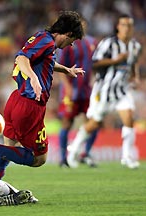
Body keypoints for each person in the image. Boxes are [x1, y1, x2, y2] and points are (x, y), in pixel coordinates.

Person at [0, 11, 85, 179]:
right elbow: (21, 58)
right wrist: (34, 78)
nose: (71, 45)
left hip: (16, 100)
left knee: (8, 152)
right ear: (67, 34)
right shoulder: (46, 42)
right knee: (39, 159)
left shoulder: (43, 38)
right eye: (72, 41)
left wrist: (66, 70)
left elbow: (45, 61)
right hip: (30, 107)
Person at [67, 14, 142, 169]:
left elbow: (133, 62)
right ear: (118, 27)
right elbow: (95, 63)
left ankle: (127, 157)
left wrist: (135, 76)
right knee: (95, 123)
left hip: (122, 90)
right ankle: (74, 149)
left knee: (129, 118)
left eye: (129, 25)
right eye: (123, 25)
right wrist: (115, 61)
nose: (127, 28)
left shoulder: (135, 46)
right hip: (104, 90)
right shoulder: (109, 43)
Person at [57, 17, 98, 168]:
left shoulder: (92, 42)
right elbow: (60, 67)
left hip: (87, 91)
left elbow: (95, 64)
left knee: (94, 121)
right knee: (67, 123)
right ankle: (63, 159)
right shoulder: (69, 44)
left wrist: (95, 80)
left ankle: (85, 153)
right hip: (71, 91)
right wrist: (67, 87)